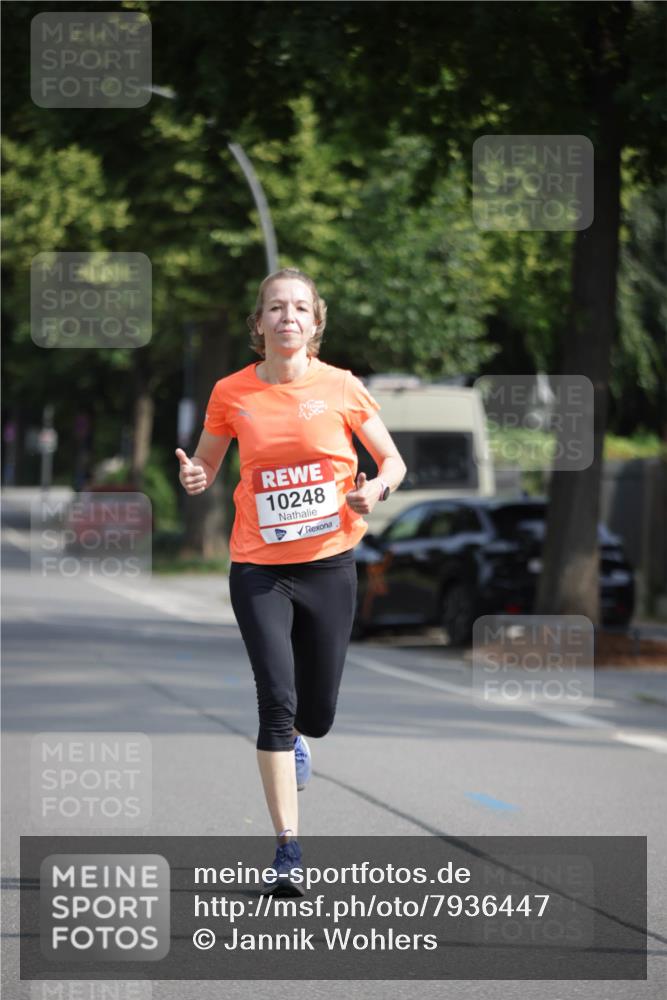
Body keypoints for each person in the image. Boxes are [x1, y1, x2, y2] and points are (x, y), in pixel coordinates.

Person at [176, 267, 406, 895]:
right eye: (275, 308)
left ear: (315, 322)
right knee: (276, 703)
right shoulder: (231, 392)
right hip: (258, 567)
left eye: (299, 309)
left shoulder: (341, 387)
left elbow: (391, 460)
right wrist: (195, 478)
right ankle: (288, 848)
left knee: (318, 713)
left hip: (329, 563)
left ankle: (306, 739)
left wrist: (374, 490)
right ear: (259, 323)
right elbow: (206, 464)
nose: (287, 318)